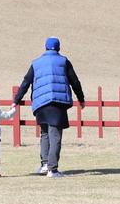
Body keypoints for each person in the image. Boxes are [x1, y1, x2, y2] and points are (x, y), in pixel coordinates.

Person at [13, 37, 85, 178]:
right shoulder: (64, 61)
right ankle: (53, 169)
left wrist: (16, 100)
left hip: (40, 103)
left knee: (45, 134)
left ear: (45, 47)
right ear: (58, 48)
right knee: (55, 135)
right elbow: (75, 81)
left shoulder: (36, 63)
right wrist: (81, 99)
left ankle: (45, 164)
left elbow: (26, 82)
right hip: (57, 103)